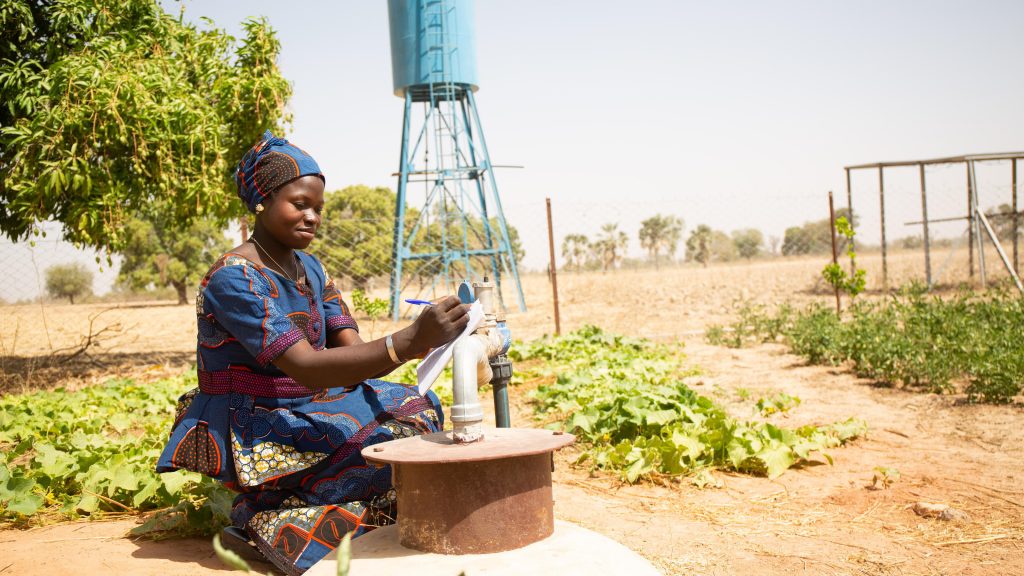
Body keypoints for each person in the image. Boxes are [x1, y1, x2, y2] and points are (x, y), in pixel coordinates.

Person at [156, 131, 469, 575]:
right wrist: (408, 341)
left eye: (318, 208)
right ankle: (265, 517)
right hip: (260, 421)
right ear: (261, 200)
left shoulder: (311, 268)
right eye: (299, 204)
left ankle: (318, 505)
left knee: (420, 413)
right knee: (398, 450)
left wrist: (427, 340)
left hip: (309, 403)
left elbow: (355, 353)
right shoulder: (234, 278)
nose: (312, 217)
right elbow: (304, 366)